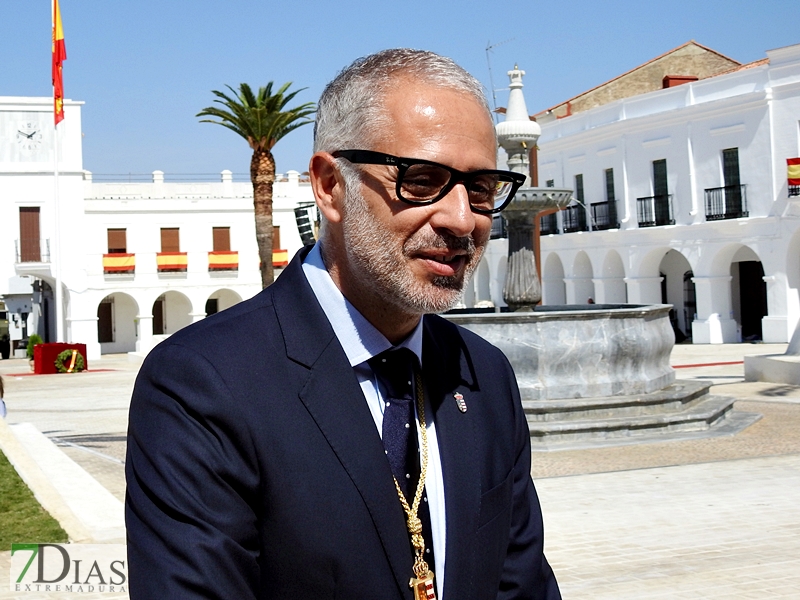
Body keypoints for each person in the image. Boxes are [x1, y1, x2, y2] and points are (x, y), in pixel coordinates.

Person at [126, 48, 560, 600]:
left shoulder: (485, 375)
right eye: (421, 179)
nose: (461, 219)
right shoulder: (203, 384)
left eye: (480, 189)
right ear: (331, 185)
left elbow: (520, 587)